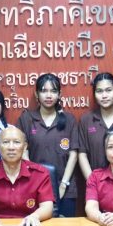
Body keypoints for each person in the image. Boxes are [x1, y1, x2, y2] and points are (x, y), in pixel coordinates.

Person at [16, 73, 81, 217]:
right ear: (36, 94)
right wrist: (34, 182)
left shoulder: (69, 119)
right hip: (34, 188)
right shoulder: (27, 118)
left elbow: (74, 155)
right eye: (44, 91)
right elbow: (23, 152)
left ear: (59, 94)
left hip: (66, 189)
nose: (49, 95)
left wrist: (63, 184)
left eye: (53, 91)